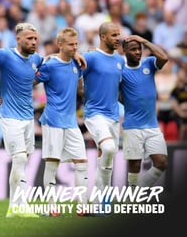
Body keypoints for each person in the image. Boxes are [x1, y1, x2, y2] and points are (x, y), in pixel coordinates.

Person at [35, 27, 89, 217]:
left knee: (82, 162)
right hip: (53, 120)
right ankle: (51, 206)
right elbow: (31, 81)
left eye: (76, 44)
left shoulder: (77, 64)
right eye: (71, 44)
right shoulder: (49, 65)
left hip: (71, 121)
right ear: (60, 45)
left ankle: (82, 206)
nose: (75, 47)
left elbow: (80, 88)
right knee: (52, 163)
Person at [0, 22, 43, 218]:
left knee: (22, 161)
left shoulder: (37, 59)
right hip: (9, 115)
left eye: (35, 39)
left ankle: (14, 207)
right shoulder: (4, 55)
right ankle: (21, 206)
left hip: (27, 117)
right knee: (20, 158)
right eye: (29, 39)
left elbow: (49, 68)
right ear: (19, 39)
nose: (33, 42)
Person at [82, 22, 125, 204]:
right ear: (103, 37)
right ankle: (103, 199)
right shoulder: (90, 57)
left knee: (107, 156)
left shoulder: (120, 60)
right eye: (113, 35)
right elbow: (69, 67)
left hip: (114, 116)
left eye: (118, 35)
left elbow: (123, 89)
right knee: (108, 148)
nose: (117, 39)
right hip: (94, 113)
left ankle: (101, 201)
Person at [120, 35, 169, 188]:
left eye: (139, 49)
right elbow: (115, 93)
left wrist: (145, 41)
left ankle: (135, 193)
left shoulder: (148, 63)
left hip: (152, 125)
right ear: (125, 51)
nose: (137, 52)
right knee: (135, 165)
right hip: (132, 126)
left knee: (161, 163)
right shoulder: (121, 70)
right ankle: (132, 198)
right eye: (133, 49)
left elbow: (164, 57)